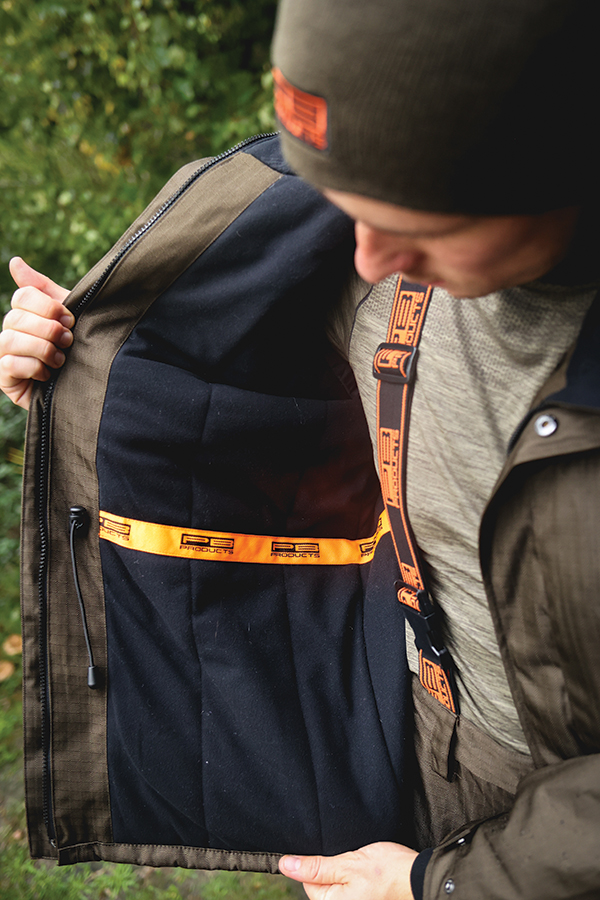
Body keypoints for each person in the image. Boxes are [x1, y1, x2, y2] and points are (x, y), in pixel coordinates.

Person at [2, 0, 599, 897]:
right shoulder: (367, 271)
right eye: (346, 209)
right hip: (413, 757)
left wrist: (442, 888)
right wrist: (78, 369)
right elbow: (202, 397)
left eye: (417, 223)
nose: (368, 258)